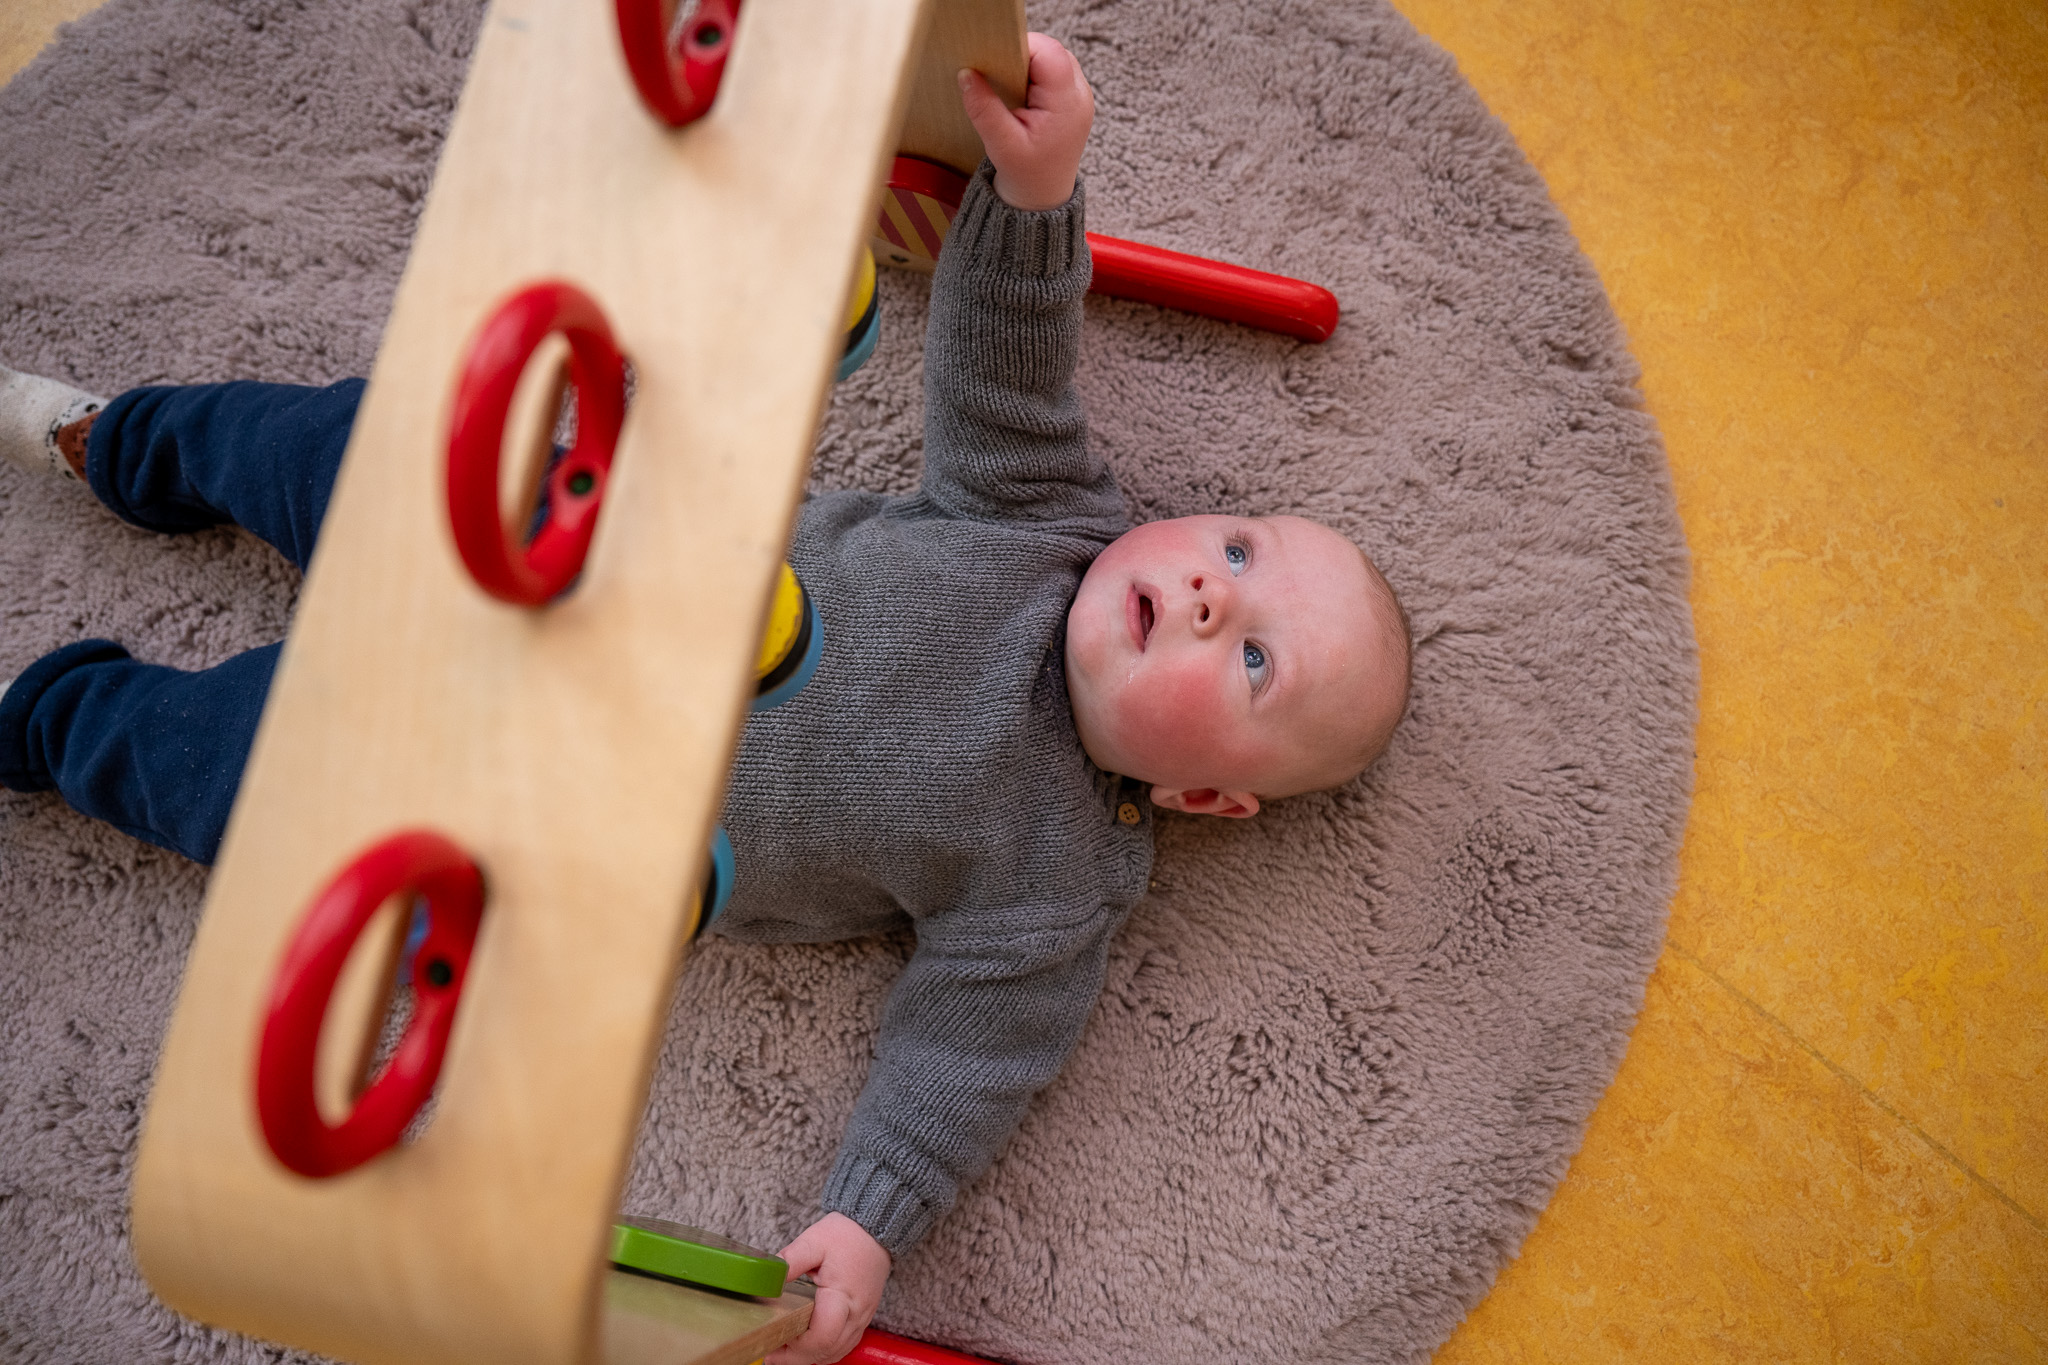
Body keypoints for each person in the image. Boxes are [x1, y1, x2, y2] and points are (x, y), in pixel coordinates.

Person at [0, 34, 1408, 1365]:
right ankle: (112, 440)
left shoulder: (1063, 876)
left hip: (506, 803)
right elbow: (1007, 354)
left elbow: (964, 1064)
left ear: (1208, 795)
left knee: (226, 785)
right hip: (555, 532)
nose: (1219, 595)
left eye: (1256, 663)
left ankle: (47, 719)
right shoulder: (1045, 517)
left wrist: (867, 1217)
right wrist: (1037, 194)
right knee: (345, 439)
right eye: (1238, 548)